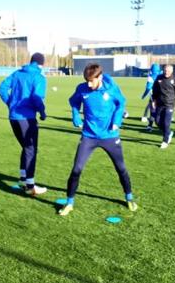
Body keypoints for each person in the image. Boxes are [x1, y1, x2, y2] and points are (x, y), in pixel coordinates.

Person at [58, 64, 137, 216]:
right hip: (88, 136)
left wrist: (117, 120)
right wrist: (75, 114)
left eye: (91, 81)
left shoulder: (111, 89)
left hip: (110, 136)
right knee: (76, 169)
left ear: (100, 77)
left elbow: (121, 103)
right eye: (87, 80)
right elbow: (74, 102)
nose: (89, 84)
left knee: (121, 168)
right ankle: (69, 203)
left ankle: (129, 197)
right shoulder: (82, 88)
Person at [0, 53, 48, 196]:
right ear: (41, 64)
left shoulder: (17, 73)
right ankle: (30, 185)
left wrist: (10, 103)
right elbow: (37, 98)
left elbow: (1, 88)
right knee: (31, 149)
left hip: (13, 118)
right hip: (27, 118)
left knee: (26, 148)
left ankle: (22, 178)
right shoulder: (39, 77)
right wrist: (42, 112)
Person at [152, 64, 175, 149]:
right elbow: (155, 90)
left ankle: (165, 141)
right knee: (157, 122)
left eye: (168, 71)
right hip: (159, 104)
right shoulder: (159, 78)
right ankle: (169, 133)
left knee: (166, 123)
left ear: (171, 71)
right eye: (165, 70)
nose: (166, 72)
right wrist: (154, 100)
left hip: (169, 105)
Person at [141, 63, 162, 131]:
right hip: (164, 95)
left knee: (152, 111)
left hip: (154, 96)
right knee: (161, 108)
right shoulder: (162, 74)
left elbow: (148, 88)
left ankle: (150, 126)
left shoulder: (151, 76)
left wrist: (144, 95)